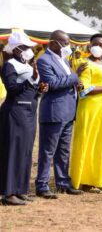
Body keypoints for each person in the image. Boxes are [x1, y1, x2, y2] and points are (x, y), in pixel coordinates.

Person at [35, 30, 86, 199]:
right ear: (53, 43)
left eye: (67, 42)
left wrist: (76, 84)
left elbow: (68, 80)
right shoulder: (43, 60)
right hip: (53, 111)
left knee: (63, 151)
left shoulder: (63, 60)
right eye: (64, 43)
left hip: (68, 111)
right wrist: (75, 75)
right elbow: (52, 83)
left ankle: (63, 183)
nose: (67, 46)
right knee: (48, 151)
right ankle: (42, 185)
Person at [0, 32, 48, 205]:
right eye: (26, 47)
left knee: (25, 151)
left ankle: (20, 190)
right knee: (12, 151)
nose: (30, 50)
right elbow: (12, 88)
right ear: (17, 48)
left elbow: (31, 88)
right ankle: (8, 193)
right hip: (15, 111)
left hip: (29, 111)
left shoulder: (28, 65)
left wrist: (40, 88)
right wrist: (32, 80)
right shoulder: (9, 65)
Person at [70, 34, 102, 193]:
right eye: (96, 44)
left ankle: (99, 179)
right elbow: (84, 90)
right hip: (90, 109)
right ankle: (84, 181)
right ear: (90, 45)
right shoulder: (85, 64)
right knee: (87, 143)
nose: (99, 47)